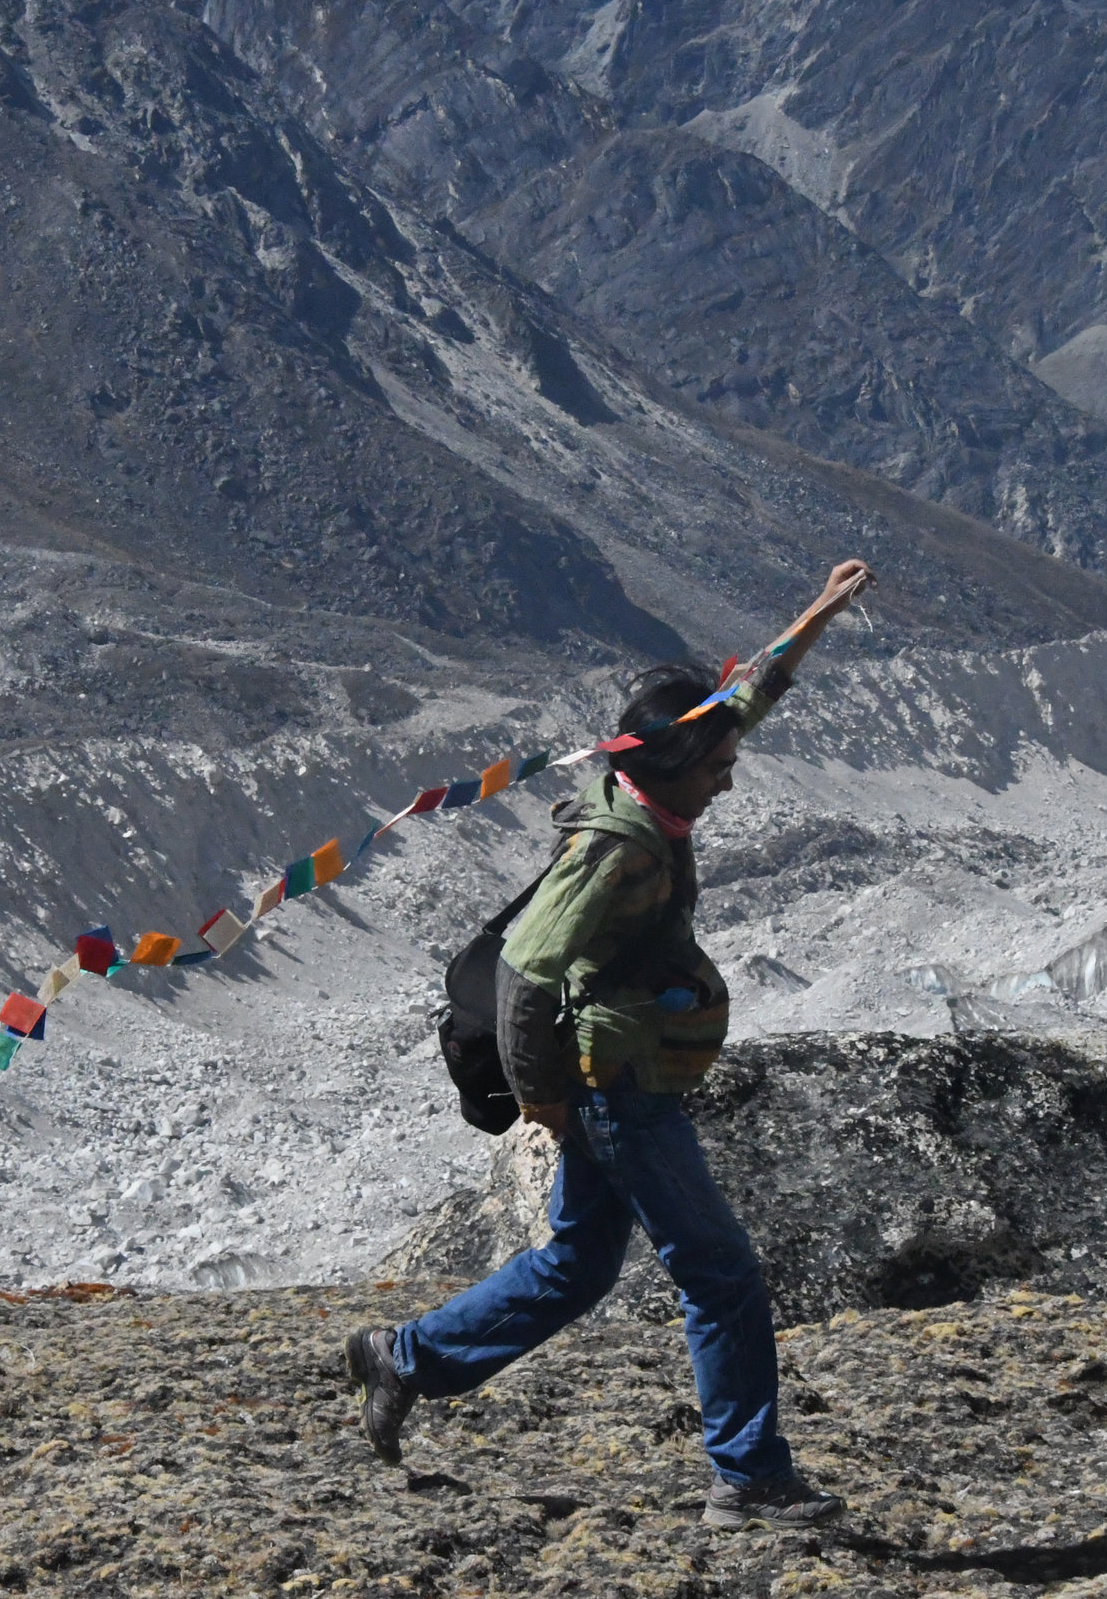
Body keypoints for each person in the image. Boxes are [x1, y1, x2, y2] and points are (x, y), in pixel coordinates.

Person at [348, 559, 873, 1531]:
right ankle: (749, 1474)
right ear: (673, 764)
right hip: (614, 1088)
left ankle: (402, 1356)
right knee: (718, 1271)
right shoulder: (621, 846)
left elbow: (734, 707)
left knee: (578, 1266)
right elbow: (528, 970)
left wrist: (814, 616)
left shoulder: (658, 785)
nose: (729, 771)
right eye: (714, 763)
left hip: (611, 1078)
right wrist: (543, 1099)